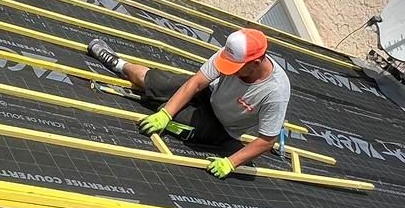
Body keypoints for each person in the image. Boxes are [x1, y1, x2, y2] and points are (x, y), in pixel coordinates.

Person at [86, 28, 290, 177]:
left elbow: (266, 140)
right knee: (158, 82)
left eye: (235, 68)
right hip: (208, 94)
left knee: (177, 123)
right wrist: (166, 113)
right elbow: (197, 82)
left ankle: (168, 112)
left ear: (255, 64)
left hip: (221, 128)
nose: (230, 70)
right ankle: (117, 63)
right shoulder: (230, 54)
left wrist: (231, 162)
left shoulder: (275, 91)